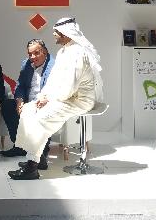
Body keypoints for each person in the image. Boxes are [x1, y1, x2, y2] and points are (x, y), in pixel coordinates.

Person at [8, 17, 105, 180]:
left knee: (41, 118)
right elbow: (53, 81)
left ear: (65, 33)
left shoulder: (78, 53)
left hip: (80, 100)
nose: (53, 34)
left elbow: (70, 87)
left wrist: (49, 99)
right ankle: (36, 158)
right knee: (28, 110)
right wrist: (43, 96)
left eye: (56, 32)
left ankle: (32, 167)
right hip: (65, 97)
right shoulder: (63, 52)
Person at [0, 39, 55, 163]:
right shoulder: (26, 64)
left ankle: (42, 151)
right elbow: (20, 86)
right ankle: (20, 146)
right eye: (30, 54)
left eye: (36, 53)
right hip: (29, 102)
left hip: (45, 102)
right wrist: (20, 101)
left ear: (45, 52)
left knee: (41, 113)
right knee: (7, 105)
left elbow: (59, 87)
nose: (32, 57)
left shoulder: (54, 65)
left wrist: (46, 98)